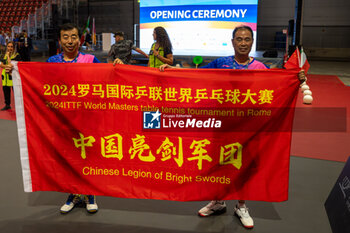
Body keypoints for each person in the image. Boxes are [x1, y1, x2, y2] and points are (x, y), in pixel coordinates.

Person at [160, 26, 306, 229]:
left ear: (252, 42)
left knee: (242, 166)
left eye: (247, 39)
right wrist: (174, 69)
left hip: (248, 128)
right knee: (218, 164)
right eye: (239, 39)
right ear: (232, 42)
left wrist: (296, 80)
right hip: (222, 125)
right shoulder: (221, 63)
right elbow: (197, 75)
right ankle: (218, 201)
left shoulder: (260, 69)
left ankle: (241, 205)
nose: (243, 43)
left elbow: (279, 86)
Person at [47, 23, 100, 213]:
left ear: (80, 39)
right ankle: (74, 194)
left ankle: (89, 194)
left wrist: (117, 66)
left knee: (86, 159)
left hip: (87, 120)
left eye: (73, 37)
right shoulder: (52, 61)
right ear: (60, 40)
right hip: (63, 122)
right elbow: (38, 81)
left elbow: (109, 78)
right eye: (65, 37)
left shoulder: (91, 59)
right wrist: (16, 71)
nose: (70, 41)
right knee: (69, 161)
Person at [0, 41, 21, 111]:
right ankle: (7, 105)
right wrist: (7, 66)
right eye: (8, 46)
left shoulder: (17, 55)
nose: (10, 48)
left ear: (14, 47)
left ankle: (19, 106)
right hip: (5, 76)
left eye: (11, 46)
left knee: (16, 91)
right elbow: (1, 64)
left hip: (13, 76)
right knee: (6, 91)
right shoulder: (3, 55)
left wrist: (8, 57)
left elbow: (11, 65)